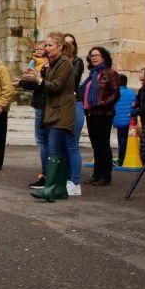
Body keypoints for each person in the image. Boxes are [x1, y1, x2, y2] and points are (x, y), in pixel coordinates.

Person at [21, 32, 76, 202]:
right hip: (53, 111)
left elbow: (56, 87)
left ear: (60, 46)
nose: (46, 48)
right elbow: (42, 85)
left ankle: (50, 188)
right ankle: (59, 189)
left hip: (61, 112)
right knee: (56, 151)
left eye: (50, 45)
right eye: (45, 45)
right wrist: (23, 82)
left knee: (54, 151)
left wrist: (38, 78)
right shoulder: (52, 63)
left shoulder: (64, 64)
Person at [78, 47, 119, 186]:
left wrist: (101, 103)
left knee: (103, 144)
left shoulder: (110, 73)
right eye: (91, 56)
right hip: (91, 113)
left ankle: (105, 176)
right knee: (96, 145)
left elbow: (115, 94)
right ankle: (96, 174)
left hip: (104, 113)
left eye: (97, 55)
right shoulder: (92, 75)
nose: (94, 58)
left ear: (104, 57)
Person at [18, 41, 48, 188]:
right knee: (43, 141)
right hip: (40, 103)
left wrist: (31, 79)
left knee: (43, 141)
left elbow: (42, 84)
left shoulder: (50, 64)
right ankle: (47, 173)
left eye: (46, 47)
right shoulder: (36, 60)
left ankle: (47, 174)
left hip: (45, 105)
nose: (42, 50)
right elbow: (31, 77)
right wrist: (23, 82)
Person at [61, 33, 84, 196]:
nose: (69, 46)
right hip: (62, 106)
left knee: (72, 145)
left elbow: (71, 79)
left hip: (74, 104)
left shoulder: (76, 62)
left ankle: (75, 182)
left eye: (71, 43)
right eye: (65, 43)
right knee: (63, 146)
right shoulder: (58, 63)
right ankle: (67, 179)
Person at [113, 74, 136, 166]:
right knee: (127, 141)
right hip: (129, 120)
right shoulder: (132, 93)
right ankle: (126, 158)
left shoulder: (115, 93)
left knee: (121, 141)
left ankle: (121, 160)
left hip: (118, 120)